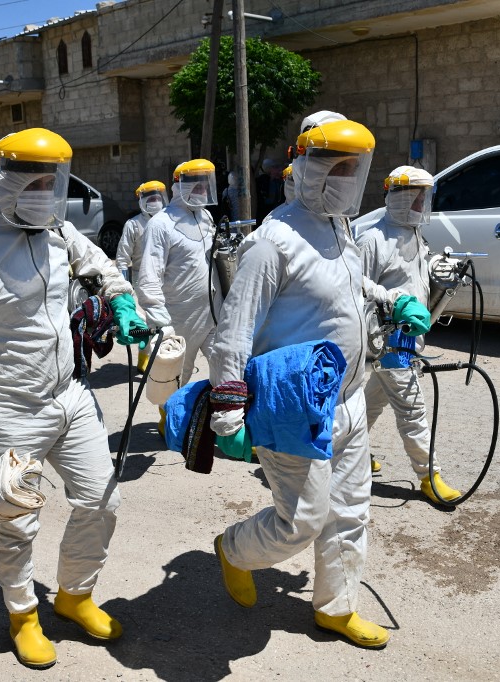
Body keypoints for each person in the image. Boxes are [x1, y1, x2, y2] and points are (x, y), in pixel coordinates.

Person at [0, 128, 148, 670]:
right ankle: (23, 615)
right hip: (5, 410)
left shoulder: (57, 233)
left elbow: (101, 264)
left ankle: (74, 595)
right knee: (17, 523)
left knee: (101, 500)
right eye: (35, 181)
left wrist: (121, 300)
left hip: (70, 395)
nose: (47, 192)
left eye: (54, 181)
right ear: (1, 180)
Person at [208, 118, 432, 649]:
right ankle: (234, 548)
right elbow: (232, 336)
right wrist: (227, 413)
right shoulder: (273, 242)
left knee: (352, 510)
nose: (345, 180)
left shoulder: (340, 228)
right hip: (295, 408)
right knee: (302, 520)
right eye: (335, 168)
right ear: (304, 168)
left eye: (354, 170)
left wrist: (391, 300)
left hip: (349, 396)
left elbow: (350, 283)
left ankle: (336, 607)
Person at [352, 166, 462, 503]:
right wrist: (383, 325)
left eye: (424, 197)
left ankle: (349, 458)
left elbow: (412, 278)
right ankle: (429, 475)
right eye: (415, 196)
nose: (420, 203)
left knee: (369, 404)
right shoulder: (373, 240)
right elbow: (355, 291)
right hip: (387, 343)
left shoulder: (414, 234)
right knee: (412, 409)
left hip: (408, 339)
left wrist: (438, 271)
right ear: (399, 196)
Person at [136, 159, 223, 431]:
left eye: (204, 184)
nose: (200, 191)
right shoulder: (161, 225)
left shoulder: (206, 218)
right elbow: (148, 280)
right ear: (178, 185)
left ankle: (228, 423)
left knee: (227, 366)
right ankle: (170, 424)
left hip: (212, 312)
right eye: (193, 184)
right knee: (176, 379)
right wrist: (163, 324)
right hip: (179, 318)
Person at [115, 180, 166, 373]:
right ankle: (144, 358)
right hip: (141, 279)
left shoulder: (168, 222)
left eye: (157, 197)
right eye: (150, 198)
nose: (154, 201)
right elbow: (122, 258)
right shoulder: (133, 225)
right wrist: (123, 288)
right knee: (146, 322)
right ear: (142, 200)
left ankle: (162, 359)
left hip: (165, 278)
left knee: (165, 321)